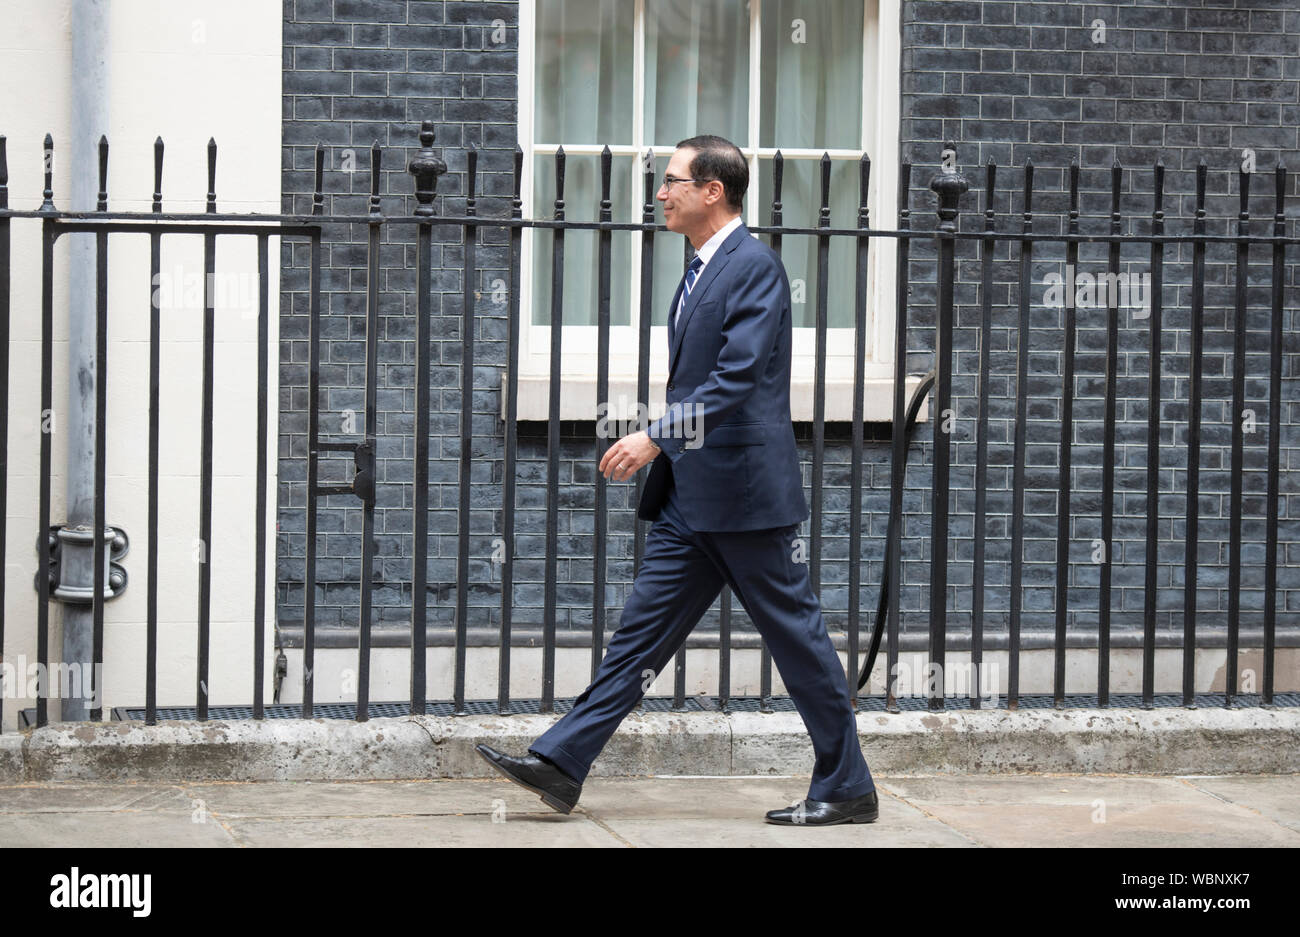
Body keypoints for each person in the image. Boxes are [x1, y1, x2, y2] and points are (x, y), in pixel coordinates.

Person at [477, 135, 878, 826]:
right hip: (694, 500)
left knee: (797, 641)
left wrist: (654, 436)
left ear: (712, 191)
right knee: (639, 637)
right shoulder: (700, 269)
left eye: (671, 182)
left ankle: (846, 784)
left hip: (746, 499)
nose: (660, 194)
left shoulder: (753, 268)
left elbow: (736, 380)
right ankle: (564, 760)